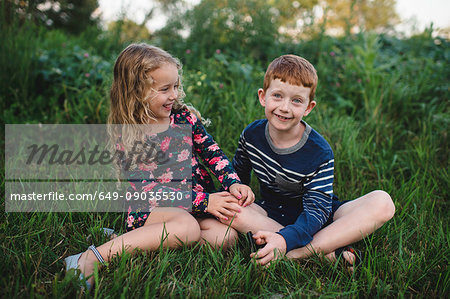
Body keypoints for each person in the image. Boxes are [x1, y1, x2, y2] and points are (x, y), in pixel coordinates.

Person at [65, 43, 254, 290]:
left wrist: (232, 181)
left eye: (175, 86)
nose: (174, 95)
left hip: (193, 203)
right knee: (186, 228)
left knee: (224, 238)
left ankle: (125, 241)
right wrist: (205, 202)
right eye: (165, 89)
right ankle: (90, 257)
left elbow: (212, 152)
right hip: (153, 208)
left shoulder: (184, 117)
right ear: (136, 93)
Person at [223, 54, 395, 269]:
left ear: (308, 108)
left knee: (382, 202)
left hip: (319, 217)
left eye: (296, 100)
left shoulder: (319, 151)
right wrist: (238, 190)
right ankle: (327, 251)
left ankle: (292, 253)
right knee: (229, 207)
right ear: (262, 96)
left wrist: (285, 239)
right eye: (277, 96)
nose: (285, 107)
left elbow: (317, 210)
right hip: (271, 214)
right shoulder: (252, 134)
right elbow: (238, 175)